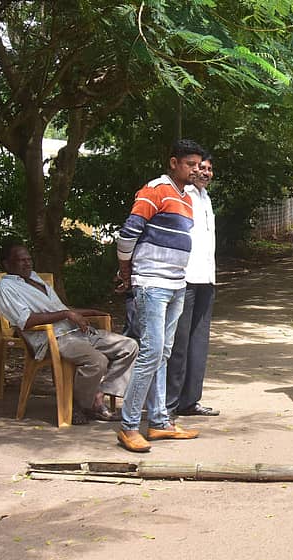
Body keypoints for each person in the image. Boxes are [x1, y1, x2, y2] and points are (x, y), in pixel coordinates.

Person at [114, 139, 205, 452]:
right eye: (189, 164)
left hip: (177, 284)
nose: (195, 169)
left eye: (198, 164)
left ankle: (159, 422)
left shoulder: (186, 198)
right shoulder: (155, 189)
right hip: (151, 285)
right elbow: (129, 232)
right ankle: (128, 426)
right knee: (151, 352)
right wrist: (125, 270)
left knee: (164, 352)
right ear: (173, 162)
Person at [0, 242, 136, 424]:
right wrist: (68, 314)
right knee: (97, 360)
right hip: (52, 338)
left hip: (76, 332)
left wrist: (89, 312)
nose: (27, 263)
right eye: (21, 260)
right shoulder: (6, 288)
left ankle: (98, 395)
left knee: (129, 346)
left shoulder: (36, 279)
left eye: (29, 259)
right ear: (7, 264)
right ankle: (81, 406)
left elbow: (60, 309)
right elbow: (26, 321)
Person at [166, 156, 219, 417]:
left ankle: (190, 401)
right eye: (201, 168)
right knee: (179, 344)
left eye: (209, 169)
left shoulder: (206, 198)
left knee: (199, 344)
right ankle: (169, 403)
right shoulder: (181, 193)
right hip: (184, 279)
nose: (205, 173)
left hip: (206, 279)